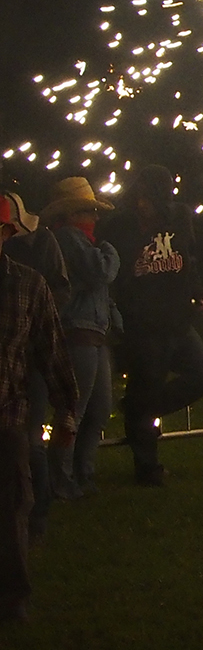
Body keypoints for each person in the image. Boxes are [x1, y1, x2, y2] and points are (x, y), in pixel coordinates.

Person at [100, 164, 203, 485]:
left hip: (177, 319)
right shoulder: (122, 225)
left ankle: (137, 409)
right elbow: (116, 268)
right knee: (146, 384)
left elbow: (187, 258)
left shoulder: (178, 217)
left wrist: (197, 288)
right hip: (144, 324)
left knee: (201, 377)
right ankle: (147, 467)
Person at [0, 192, 77, 622]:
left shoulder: (28, 286)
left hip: (6, 415)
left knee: (11, 507)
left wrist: (66, 411)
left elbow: (52, 350)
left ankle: (12, 598)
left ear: (8, 234)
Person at [40, 178, 120, 501]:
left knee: (97, 408)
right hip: (78, 332)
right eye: (90, 211)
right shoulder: (69, 239)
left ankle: (80, 473)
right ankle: (62, 479)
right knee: (74, 410)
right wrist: (111, 252)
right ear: (74, 213)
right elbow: (100, 272)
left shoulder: (80, 241)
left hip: (92, 332)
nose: (96, 218)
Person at [4, 192, 68, 540]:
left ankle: (35, 515)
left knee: (29, 441)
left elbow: (57, 291)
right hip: (18, 359)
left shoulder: (41, 249)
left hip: (30, 358)